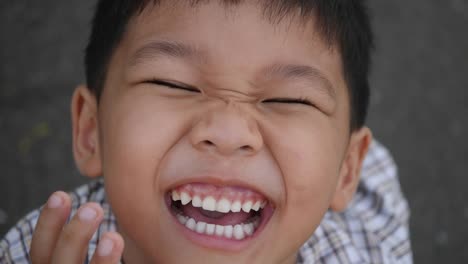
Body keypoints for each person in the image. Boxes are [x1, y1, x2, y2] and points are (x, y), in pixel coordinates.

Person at [0, 0, 412, 263]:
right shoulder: (39, 252)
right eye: (173, 84)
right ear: (91, 130)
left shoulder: (369, 250)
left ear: (346, 170)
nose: (228, 131)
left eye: (290, 99)